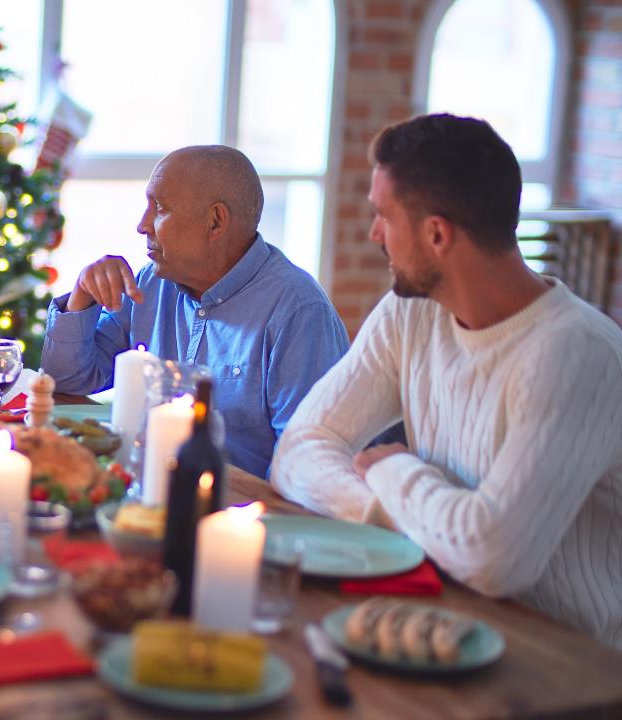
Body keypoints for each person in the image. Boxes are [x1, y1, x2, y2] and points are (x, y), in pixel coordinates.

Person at [271, 114, 622, 649]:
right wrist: (384, 510)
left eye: (384, 216)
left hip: (564, 665)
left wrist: (396, 470)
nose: (373, 234)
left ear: (437, 233)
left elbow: (492, 558)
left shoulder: (576, 353)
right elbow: (298, 449)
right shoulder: (411, 314)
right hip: (444, 622)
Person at [40, 145, 348, 478]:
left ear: (215, 222)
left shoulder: (298, 312)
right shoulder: (151, 282)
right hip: (140, 490)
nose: (142, 225)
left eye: (159, 208)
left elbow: (306, 466)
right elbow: (67, 381)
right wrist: (82, 297)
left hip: (234, 512)